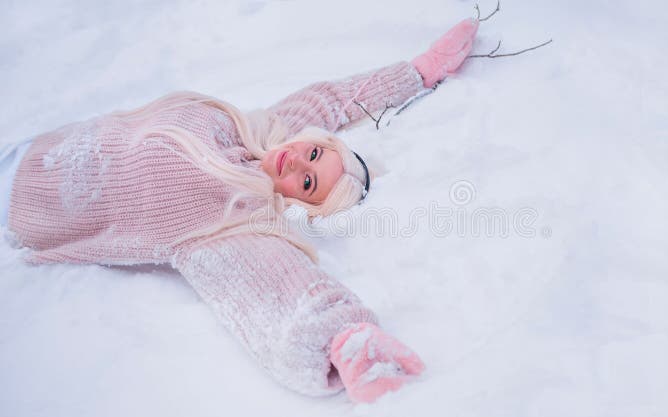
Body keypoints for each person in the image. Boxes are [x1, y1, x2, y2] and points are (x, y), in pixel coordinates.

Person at [0, 18, 480, 402]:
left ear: (296, 202)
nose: (297, 165)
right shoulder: (267, 133)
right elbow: (334, 101)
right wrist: (418, 71)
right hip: (36, 149)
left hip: (17, 204)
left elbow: (275, 282)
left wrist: (346, 342)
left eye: (307, 184)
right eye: (314, 153)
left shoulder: (231, 216)